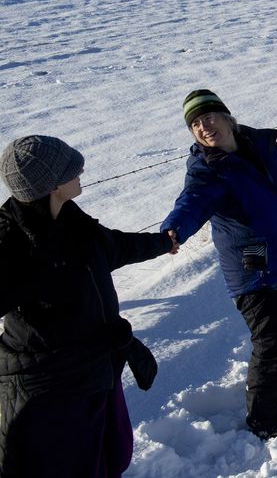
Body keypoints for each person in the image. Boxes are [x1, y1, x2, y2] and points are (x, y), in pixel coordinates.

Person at [163, 91, 277, 439]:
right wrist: (173, 230)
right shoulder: (209, 171)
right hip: (257, 271)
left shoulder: (263, 147)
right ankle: (264, 421)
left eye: (208, 117)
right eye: (195, 124)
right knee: (271, 345)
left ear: (227, 118)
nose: (203, 127)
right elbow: (190, 203)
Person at [1, 135, 176, 474]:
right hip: (52, 388)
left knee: (115, 454)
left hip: (98, 369)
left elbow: (115, 247)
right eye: (72, 168)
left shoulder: (72, 222)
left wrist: (162, 243)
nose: (81, 171)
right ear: (52, 185)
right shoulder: (11, 244)